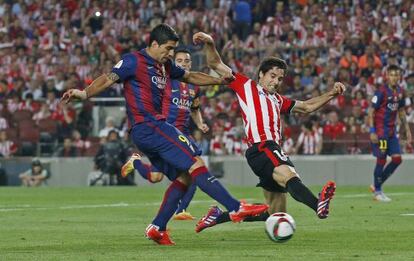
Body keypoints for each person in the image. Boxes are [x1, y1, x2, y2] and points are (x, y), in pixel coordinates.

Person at [61, 24, 269, 245]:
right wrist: (84, 93)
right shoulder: (133, 61)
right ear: (154, 44)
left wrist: (219, 81)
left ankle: (157, 227)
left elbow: (190, 76)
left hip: (147, 131)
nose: (171, 53)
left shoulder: (165, 66)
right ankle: (236, 208)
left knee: (185, 177)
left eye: (173, 49)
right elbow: (108, 78)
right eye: (168, 48)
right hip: (150, 125)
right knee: (195, 163)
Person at [192, 32, 346, 233]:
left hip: (266, 151)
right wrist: (210, 43)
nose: (276, 81)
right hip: (263, 146)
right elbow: (215, 64)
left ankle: (219, 215)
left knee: (276, 213)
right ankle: (317, 204)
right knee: (290, 175)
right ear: (261, 75)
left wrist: (332, 94)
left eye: (280, 78)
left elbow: (307, 107)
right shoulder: (246, 86)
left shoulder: (278, 100)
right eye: (272, 76)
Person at [121, 48, 209, 220]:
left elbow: (195, 108)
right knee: (155, 177)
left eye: (187, 61)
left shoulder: (194, 87)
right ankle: (136, 162)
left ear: (191, 63)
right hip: (164, 132)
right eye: (180, 61)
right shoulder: (166, 80)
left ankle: (181, 209)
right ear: (174, 63)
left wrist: (200, 123)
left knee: (194, 168)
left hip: (182, 133)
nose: (184, 63)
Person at [368, 65, 412, 202]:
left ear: (400, 77)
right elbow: (371, 111)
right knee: (381, 160)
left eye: (396, 75)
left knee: (397, 159)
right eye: (392, 75)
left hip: (392, 133)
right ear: (387, 75)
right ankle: (378, 192)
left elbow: (401, 111)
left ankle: (376, 185)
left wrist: (407, 129)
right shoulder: (381, 92)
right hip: (380, 133)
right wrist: (372, 131)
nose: (394, 77)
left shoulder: (400, 91)